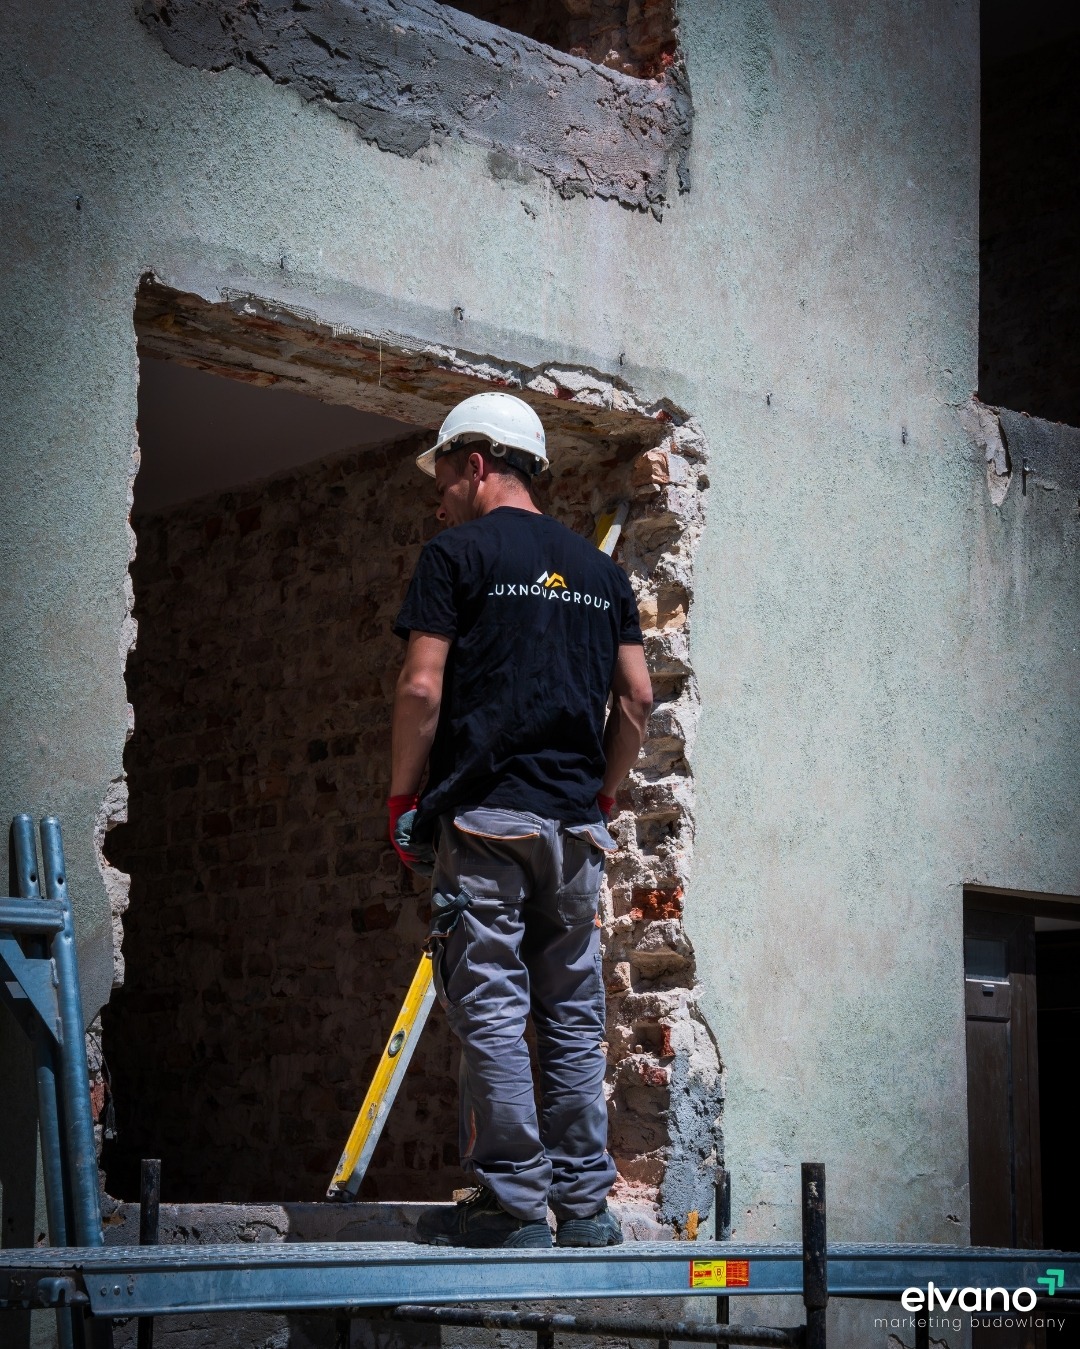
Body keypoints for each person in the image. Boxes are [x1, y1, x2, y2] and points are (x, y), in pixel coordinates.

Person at [389, 391, 653, 1249]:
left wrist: (403, 799)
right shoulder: (603, 574)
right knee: (575, 1013)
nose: (438, 501)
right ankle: (583, 1207)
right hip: (575, 834)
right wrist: (605, 793)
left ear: (476, 462)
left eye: (442, 479)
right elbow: (639, 700)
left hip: (486, 825)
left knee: (495, 1009)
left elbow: (422, 687)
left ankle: (511, 1205)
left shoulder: (454, 555)